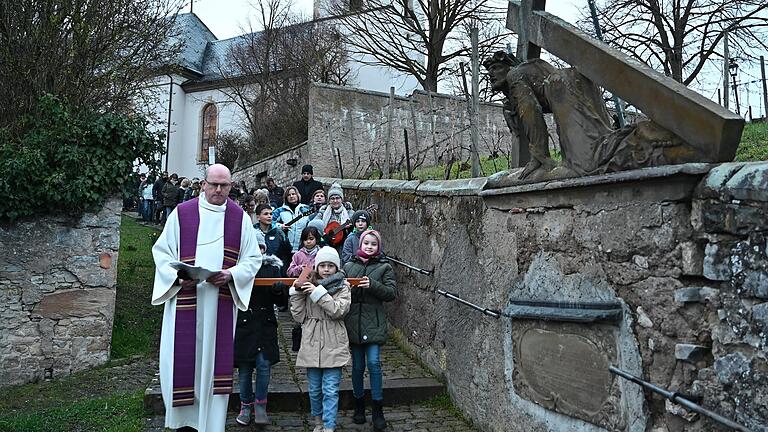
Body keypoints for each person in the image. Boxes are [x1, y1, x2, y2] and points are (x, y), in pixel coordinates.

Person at [151, 164, 262, 432]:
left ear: (231, 186)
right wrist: (178, 277)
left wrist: (231, 274)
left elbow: (252, 259)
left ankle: (211, 426)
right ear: (203, 184)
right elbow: (162, 253)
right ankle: (183, 424)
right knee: (179, 362)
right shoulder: (182, 213)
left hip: (218, 305)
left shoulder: (239, 218)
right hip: (184, 303)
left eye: (224, 186)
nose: (218, 190)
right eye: (213, 184)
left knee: (213, 367)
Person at [289, 247, 351, 432]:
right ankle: (318, 421)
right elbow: (298, 316)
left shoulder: (343, 286)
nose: (326, 269)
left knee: (330, 390)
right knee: (315, 390)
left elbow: (338, 310)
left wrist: (318, 293)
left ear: (336, 268)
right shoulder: (310, 283)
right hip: (311, 339)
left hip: (334, 339)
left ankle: (329, 426)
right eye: (322, 265)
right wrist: (298, 293)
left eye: (330, 266)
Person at [342, 230, 397, 431]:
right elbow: (339, 289)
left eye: (374, 244)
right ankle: (358, 405)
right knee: (357, 366)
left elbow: (391, 293)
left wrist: (372, 285)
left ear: (378, 247)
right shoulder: (348, 266)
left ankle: (377, 408)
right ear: (360, 244)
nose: (369, 246)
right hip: (354, 322)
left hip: (373, 322)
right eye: (366, 243)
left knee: (373, 363)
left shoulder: (384, 267)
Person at [233, 231, 289, 426]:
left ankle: (260, 405)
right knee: (245, 367)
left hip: (264, 324)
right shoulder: (237, 269)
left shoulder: (271, 269)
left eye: (260, 247)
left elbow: (281, 302)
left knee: (263, 365)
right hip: (245, 324)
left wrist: (280, 291)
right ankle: (245, 405)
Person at [253, 203, 292, 274]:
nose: (269, 216)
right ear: (258, 217)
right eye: (266, 214)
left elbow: (287, 255)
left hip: (276, 272)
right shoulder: (252, 233)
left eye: (271, 214)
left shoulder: (279, 233)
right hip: (257, 271)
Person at [273, 186, 311, 253]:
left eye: (293, 194)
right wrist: (280, 226)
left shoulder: (305, 209)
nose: (291, 196)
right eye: (289, 195)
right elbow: (270, 222)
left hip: (302, 248)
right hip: (285, 248)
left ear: (297, 195)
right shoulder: (280, 210)